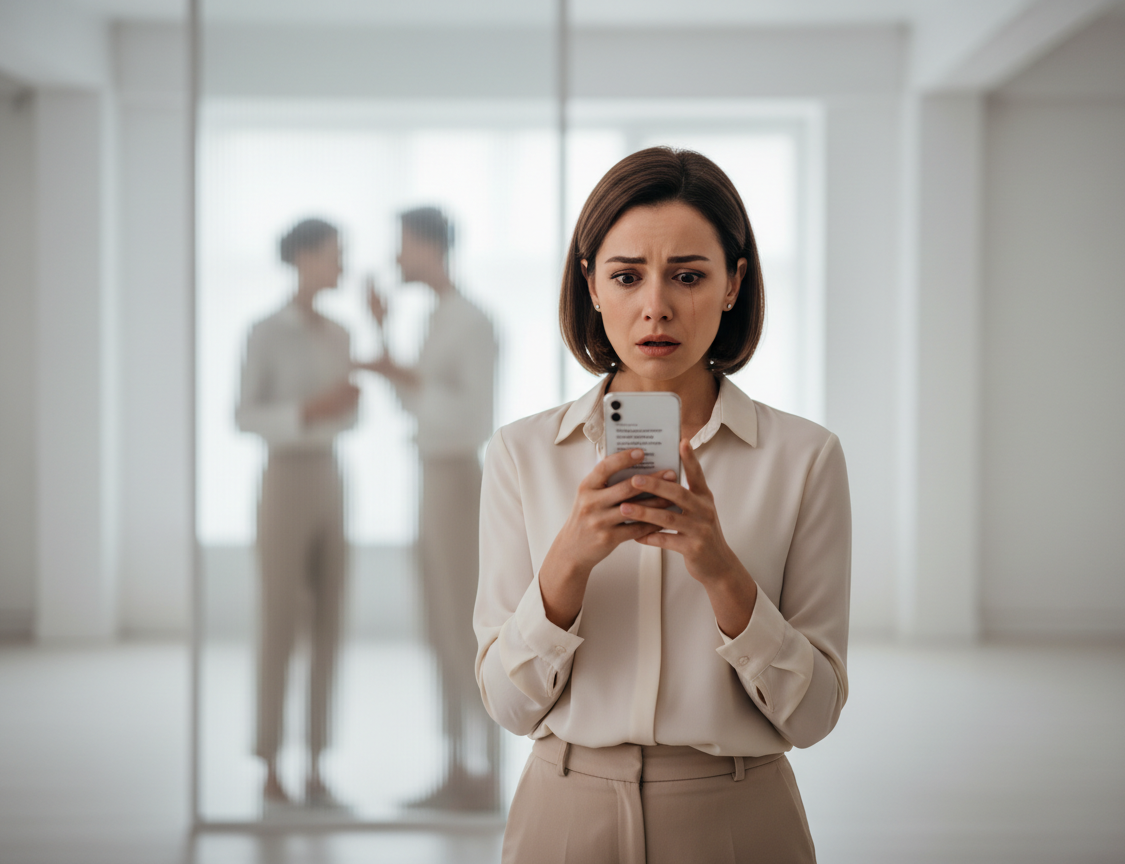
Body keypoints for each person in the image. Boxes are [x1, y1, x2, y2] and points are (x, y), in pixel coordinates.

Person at [474, 147, 851, 863]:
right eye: (626, 275)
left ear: (734, 283)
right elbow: (508, 704)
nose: (656, 306)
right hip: (562, 815)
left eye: (688, 275)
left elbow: (814, 714)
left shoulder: (805, 459)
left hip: (741, 820)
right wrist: (568, 565)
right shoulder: (522, 455)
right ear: (590, 285)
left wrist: (721, 571)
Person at [360, 206, 501, 810]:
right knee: (437, 627)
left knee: (467, 628)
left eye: (403, 246)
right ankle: (456, 765)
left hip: (457, 481)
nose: (396, 259)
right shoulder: (435, 319)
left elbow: (471, 418)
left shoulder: (472, 322)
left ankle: (486, 769)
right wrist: (387, 343)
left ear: (429, 247)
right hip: (429, 478)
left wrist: (399, 371)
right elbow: (411, 404)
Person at [235, 217, 359, 808]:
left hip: (331, 476)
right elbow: (244, 415)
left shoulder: (340, 332)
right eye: (335, 254)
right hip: (283, 476)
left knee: (330, 621)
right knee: (278, 623)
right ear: (304, 258)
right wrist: (313, 409)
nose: (342, 264)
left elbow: (350, 416)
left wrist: (334, 410)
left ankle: (315, 761)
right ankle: (269, 761)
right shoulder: (264, 332)